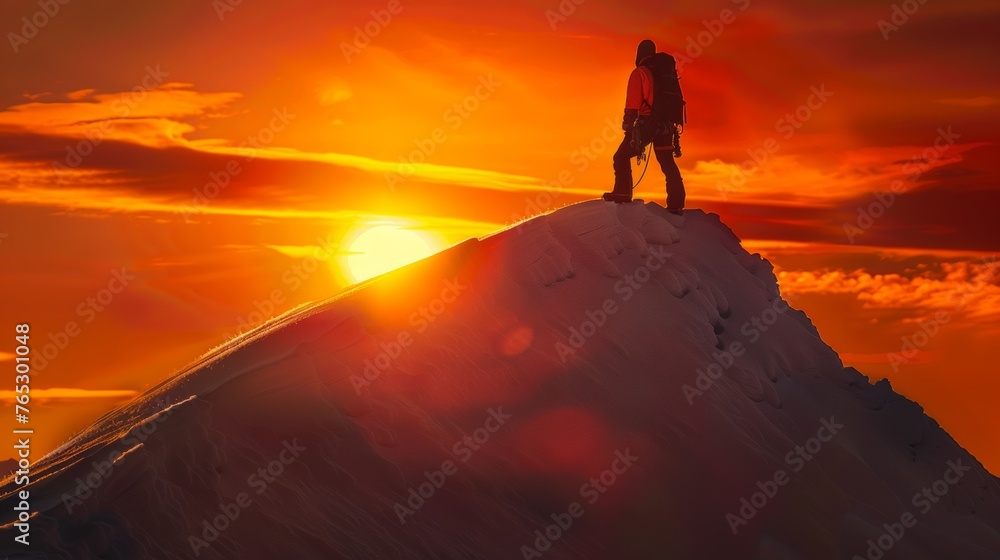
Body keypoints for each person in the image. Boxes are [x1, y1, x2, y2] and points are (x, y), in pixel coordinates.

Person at [604, 39, 685, 214]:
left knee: (621, 157)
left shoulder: (640, 72)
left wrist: (628, 124)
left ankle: (622, 193)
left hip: (648, 123)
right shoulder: (664, 73)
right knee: (667, 161)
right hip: (666, 125)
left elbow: (633, 102)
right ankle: (676, 204)